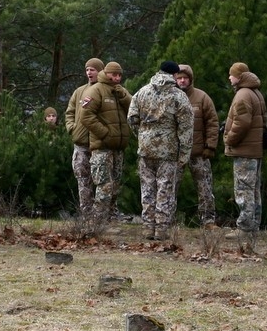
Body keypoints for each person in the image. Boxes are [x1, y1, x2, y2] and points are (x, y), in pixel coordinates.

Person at [127, 59, 194, 241]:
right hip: (168, 150)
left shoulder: (141, 92)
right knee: (165, 187)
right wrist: (184, 153)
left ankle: (148, 227)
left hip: (145, 147)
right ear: (174, 75)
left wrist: (142, 136)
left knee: (147, 188)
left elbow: (132, 118)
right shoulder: (178, 96)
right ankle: (161, 229)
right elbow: (186, 128)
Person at [78, 61, 133, 228]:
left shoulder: (120, 91)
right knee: (104, 185)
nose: (116, 78)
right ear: (106, 73)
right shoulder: (95, 90)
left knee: (115, 185)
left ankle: (110, 219)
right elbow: (86, 116)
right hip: (102, 148)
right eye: (113, 74)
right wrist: (105, 134)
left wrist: (122, 95)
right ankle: (97, 222)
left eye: (119, 75)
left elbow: (133, 107)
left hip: (118, 147)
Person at [223, 61, 266, 248]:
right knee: (254, 189)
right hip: (254, 149)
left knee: (244, 189)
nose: (229, 77)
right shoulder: (255, 92)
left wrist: (229, 139)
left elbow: (241, 122)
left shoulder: (242, 95)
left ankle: (245, 227)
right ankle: (254, 224)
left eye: (232, 74)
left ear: (239, 77)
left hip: (245, 149)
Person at [175, 64, 220, 227]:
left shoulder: (202, 97)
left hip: (199, 152)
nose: (182, 81)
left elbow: (213, 123)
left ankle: (208, 220)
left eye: (185, 78)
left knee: (205, 188)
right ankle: (167, 220)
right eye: (179, 78)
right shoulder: (170, 97)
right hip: (176, 153)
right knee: (170, 188)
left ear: (190, 79)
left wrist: (210, 146)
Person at [64, 58, 105, 219]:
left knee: (102, 181)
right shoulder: (79, 91)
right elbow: (69, 112)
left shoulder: (105, 90)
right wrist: (71, 128)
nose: (89, 73)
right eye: (87, 70)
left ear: (100, 71)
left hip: (99, 145)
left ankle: (103, 215)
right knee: (83, 180)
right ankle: (86, 214)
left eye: (92, 70)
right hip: (80, 144)